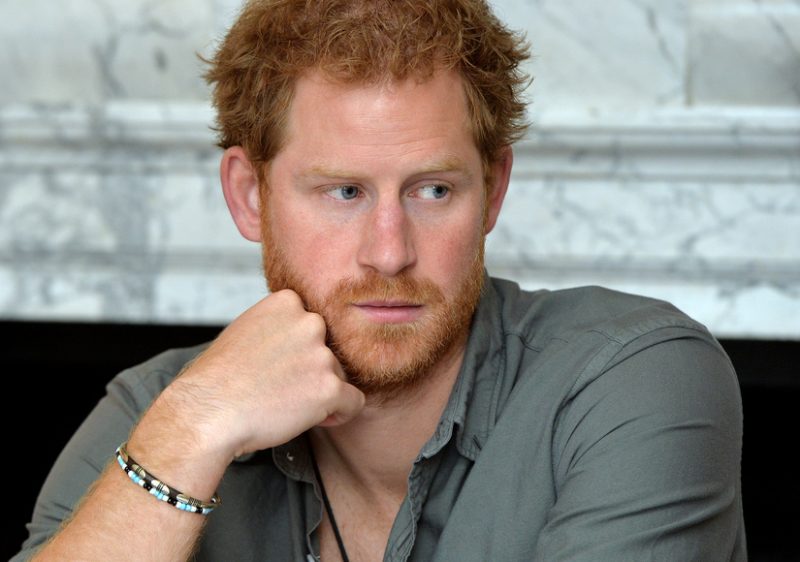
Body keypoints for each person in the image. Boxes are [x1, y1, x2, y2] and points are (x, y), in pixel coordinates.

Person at [15, 0, 746, 560]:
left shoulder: (633, 378)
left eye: (432, 191)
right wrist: (191, 432)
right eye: (344, 193)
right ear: (247, 195)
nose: (389, 253)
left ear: (492, 190)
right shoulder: (163, 412)